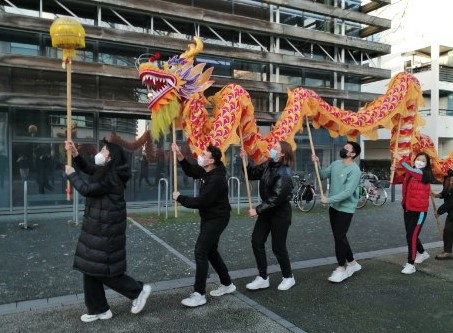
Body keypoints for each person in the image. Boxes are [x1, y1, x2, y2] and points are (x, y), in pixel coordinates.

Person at [64, 139, 151, 322]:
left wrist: (72, 175)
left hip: (106, 230)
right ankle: (98, 309)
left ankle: (138, 290)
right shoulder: (106, 171)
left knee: (103, 271)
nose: (99, 153)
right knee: (89, 268)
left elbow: (87, 189)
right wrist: (75, 155)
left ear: (111, 157)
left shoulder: (112, 178)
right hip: (97, 228)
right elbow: (89, 169)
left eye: (103, 150)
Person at [172, 143, 235, 307]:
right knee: (211, 251)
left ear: (211, 160)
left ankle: (199, 294)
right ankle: (227, 284)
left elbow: (201, 202)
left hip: (217, 219)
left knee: (201, 250)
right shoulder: (207, 171)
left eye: (204, 154)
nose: (200, 156)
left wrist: (180, 198)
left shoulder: (216, 179)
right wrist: (179, 155)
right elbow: (191, 170)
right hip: (209, 217)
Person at [240, 141, 296, 291]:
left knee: (278, 247)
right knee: (256, 241)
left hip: (280, 214)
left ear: (282, 153)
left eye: (275, 148)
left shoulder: (284, 173)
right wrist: (246, 161)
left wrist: (257, 210)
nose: (271, 149)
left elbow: (276, 198)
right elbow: (251, 173)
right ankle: (263, 277)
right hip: (267, 212)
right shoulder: (268, 164)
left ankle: (288, 277)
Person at [312, 141, 362, 283]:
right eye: (344, 147)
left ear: (353, 154)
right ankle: (353, 263)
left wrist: (328, 200)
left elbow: (348, 192)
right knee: (340, 237)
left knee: (339, 237)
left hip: (346, 209)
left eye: (347, 148)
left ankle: (341, 268)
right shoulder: (335, 164)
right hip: (334, 207)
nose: (343, 149)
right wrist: (316, 163)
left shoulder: (354, 170)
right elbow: (321, 175)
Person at [394, 152, 433, 274]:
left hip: (420, 211)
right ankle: (422, 252)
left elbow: (409, 169)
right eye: (418, 159)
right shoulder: (411, 173)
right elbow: (399, 179)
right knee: (410, 234)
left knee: (412, 235)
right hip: (408, 209)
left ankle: (411, 264)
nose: (420, 162)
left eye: (423, 161)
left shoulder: (424, 174)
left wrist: (400, 159)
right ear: (414, 160)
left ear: (426, 164)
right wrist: (394, 171)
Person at [433, 164, 453, 260]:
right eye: (450, 178)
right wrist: (436, 195)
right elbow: (446, 192)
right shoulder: (447, 178)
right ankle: (448, 251)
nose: (451, 180)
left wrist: (439, 212)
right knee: (448, 231)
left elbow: (451, 202)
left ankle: (448, 252)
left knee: (448, 230)